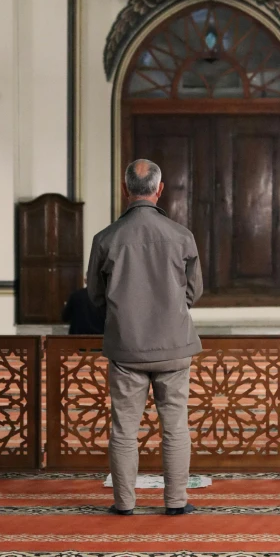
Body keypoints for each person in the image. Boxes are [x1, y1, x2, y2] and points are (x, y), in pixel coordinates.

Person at [87, 159, 203, 516]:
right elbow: (194, 292)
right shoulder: (181, 236)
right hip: (173, 346)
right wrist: (169, 310)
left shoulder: (106, 239)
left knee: (124, 429)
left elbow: (95, 296)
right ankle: (176, 502)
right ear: (160, 189)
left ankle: (124, 503)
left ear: (125, 190)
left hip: (127, 349)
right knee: (175, 427)